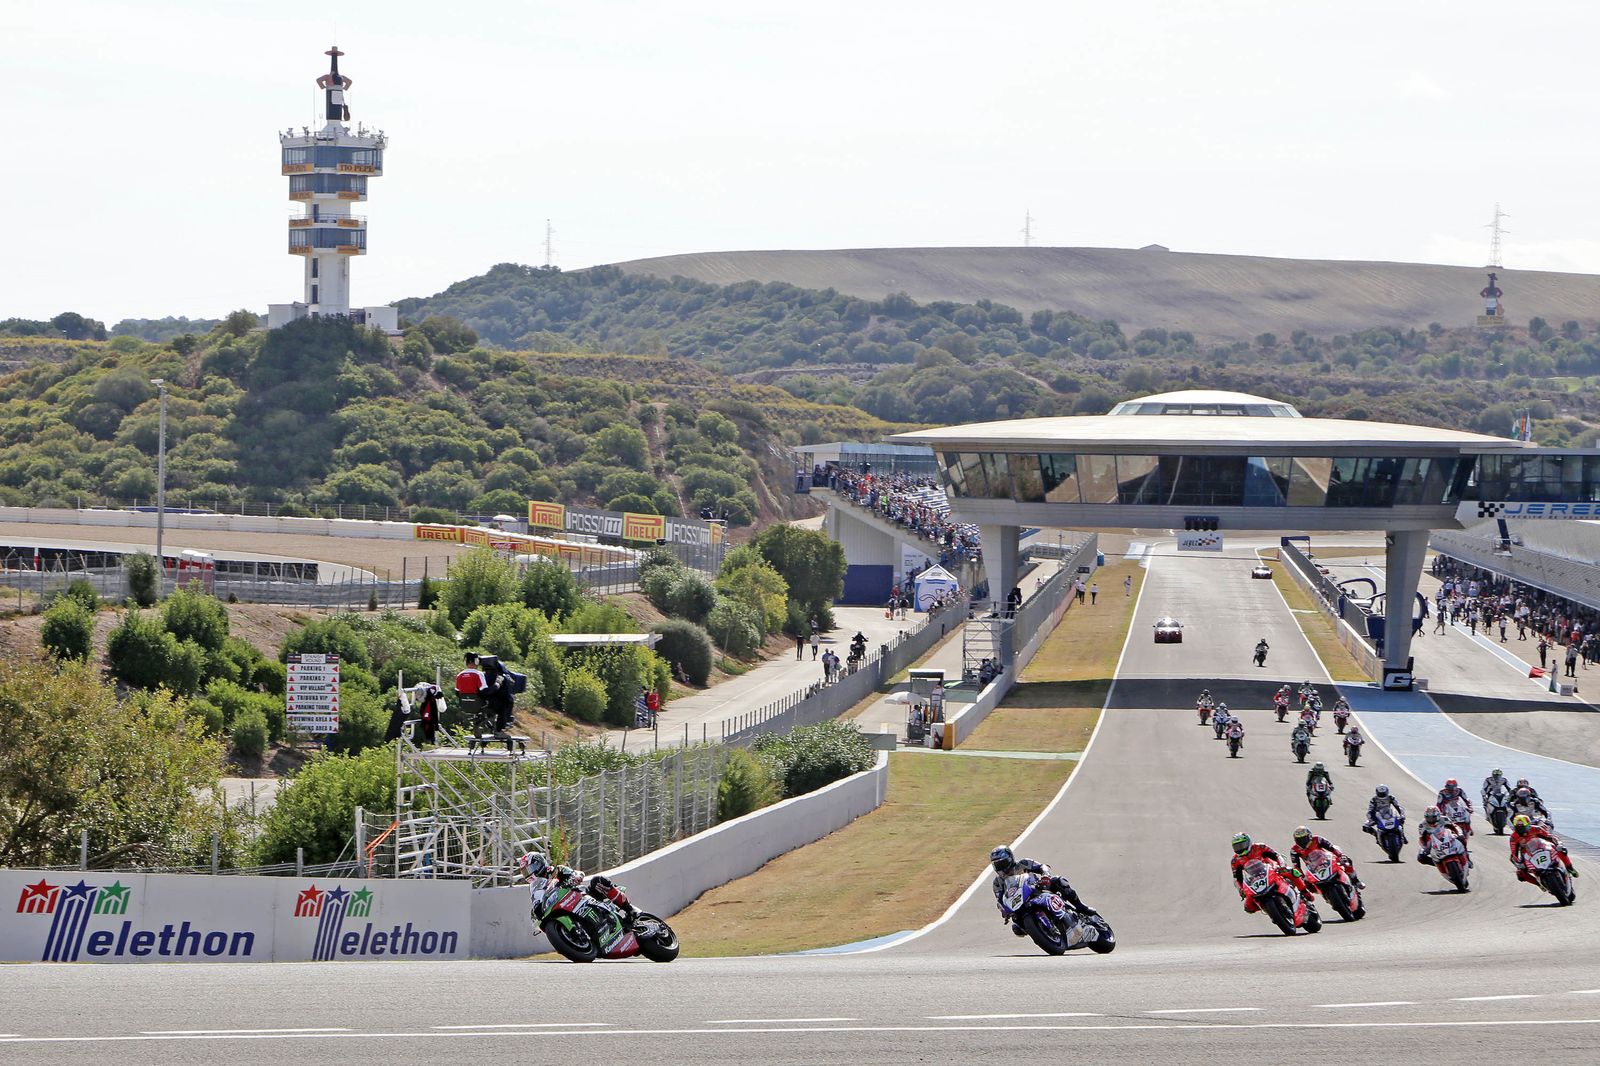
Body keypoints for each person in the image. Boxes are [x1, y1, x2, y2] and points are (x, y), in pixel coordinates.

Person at [989, 846, 1098, 932]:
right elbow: (1000, 900)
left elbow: (1042, 867)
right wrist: (1004, 910)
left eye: (1002, 863)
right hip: (1020, 903)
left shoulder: (1023, 863)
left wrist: (1045, 876)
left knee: (1059, 880)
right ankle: (1042, 931)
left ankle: (1081, 906)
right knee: (1016, 927)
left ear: (1010, 859)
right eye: (997, 865)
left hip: (1038, 889)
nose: (1001, 868)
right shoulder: (998, 883)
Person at [517, 852, 638, 928]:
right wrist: (536, 912)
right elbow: (537, 900)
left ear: (539, 864)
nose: (528, 874)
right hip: (564, 906)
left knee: (598, 880)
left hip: (581, 896)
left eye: (530, 869)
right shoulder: (535, 888)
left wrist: (574, 878)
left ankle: (631, 910)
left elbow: (575, 873)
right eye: (525, 872)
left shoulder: (556, 870)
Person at [1230, 833, 1315, 911]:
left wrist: (1282, 866)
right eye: (1237, 847)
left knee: (1291, 872)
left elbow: (1277, 856)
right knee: (1248, 907)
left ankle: (1304, 892)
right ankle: (1270, 910)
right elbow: (1236, 879)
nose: (1240, 848)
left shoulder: (1260, 847)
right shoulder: (1235, 860)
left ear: (1248, 843)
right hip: (1254, 878)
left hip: (1271, 868)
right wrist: (1241, 889)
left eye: (1241, 845)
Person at [1508, 814, 1578, 885]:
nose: (1520, 828)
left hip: (1543, 848)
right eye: (1518, 826)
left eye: (1522, 825)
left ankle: (1570, 868)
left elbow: (1550, 837)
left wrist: (1558, 844)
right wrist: (1518, 863)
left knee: (1561, 850)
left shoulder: (1536, 829)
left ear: (1528, 824)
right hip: (1528, 856)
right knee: (1520, 874)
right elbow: (1514, 853)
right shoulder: (1513, 838)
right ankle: (1539, 884)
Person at [1290, 826, 1365, 889]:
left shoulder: (1317, 839)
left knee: (1347, 861)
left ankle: (1355, 881)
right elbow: (1296, 866)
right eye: (1299, 840)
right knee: (1307, 885)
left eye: (1303, 839)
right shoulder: (1294, 850)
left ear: (1309, 836)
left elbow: (1331, 848)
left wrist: (1341, 855)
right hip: (1314, 868)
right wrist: (1302, 877)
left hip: (1326, 860)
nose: (1302, 842)